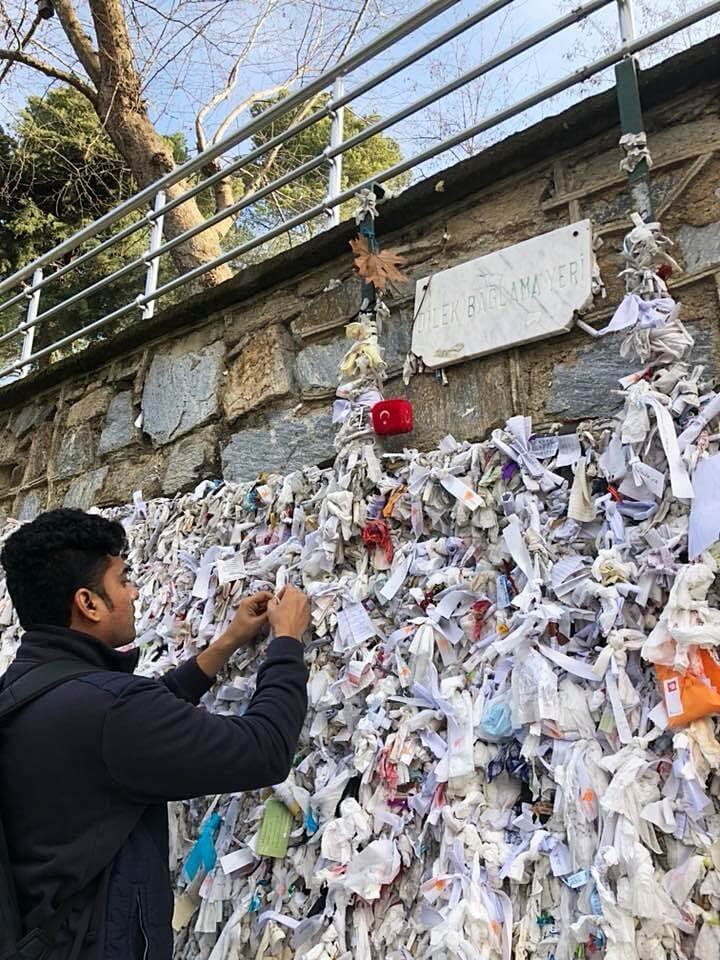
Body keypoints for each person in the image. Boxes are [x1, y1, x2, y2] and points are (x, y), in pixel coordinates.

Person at [0, 507, 310, 959]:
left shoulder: (28, 689)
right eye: (123, 580)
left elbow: (143, 713)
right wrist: (286, 642)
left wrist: (225, 644)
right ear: (88, 603)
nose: (133, 592)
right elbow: (263, 750)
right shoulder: (111, 710)